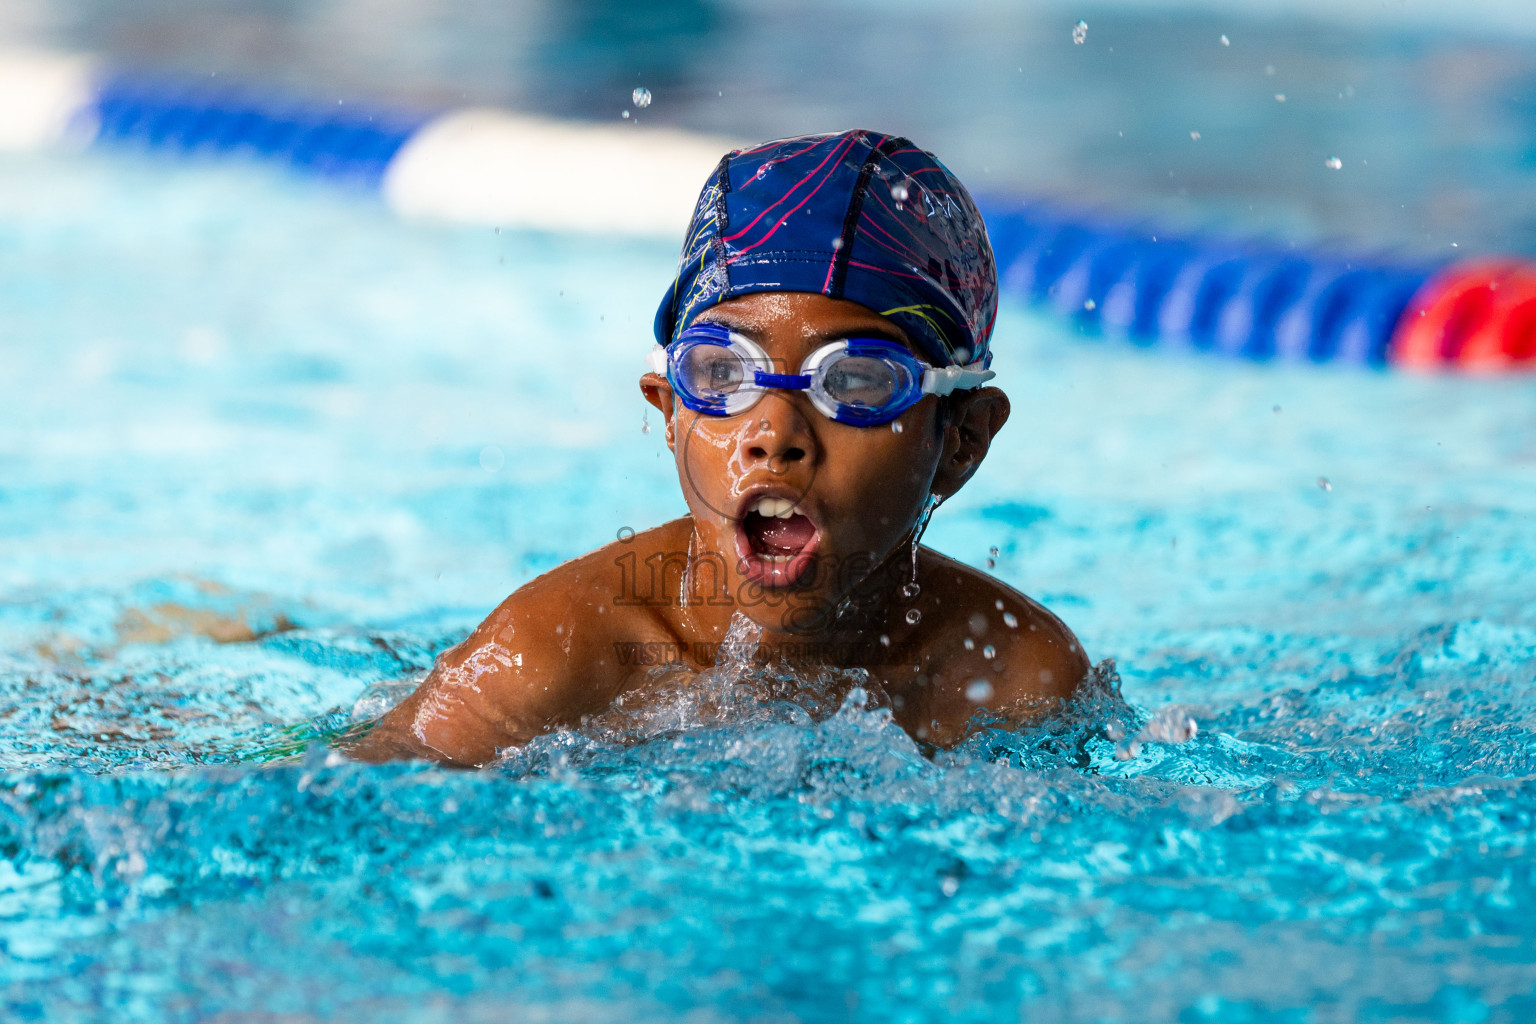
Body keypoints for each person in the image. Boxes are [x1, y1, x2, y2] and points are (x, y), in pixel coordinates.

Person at [348, 129, 1087, 766]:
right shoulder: (553, 654)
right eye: (724, 373)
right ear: (669, 413)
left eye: (854, 380)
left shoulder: (1017, 675)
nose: (775, 435)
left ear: (961, 440)